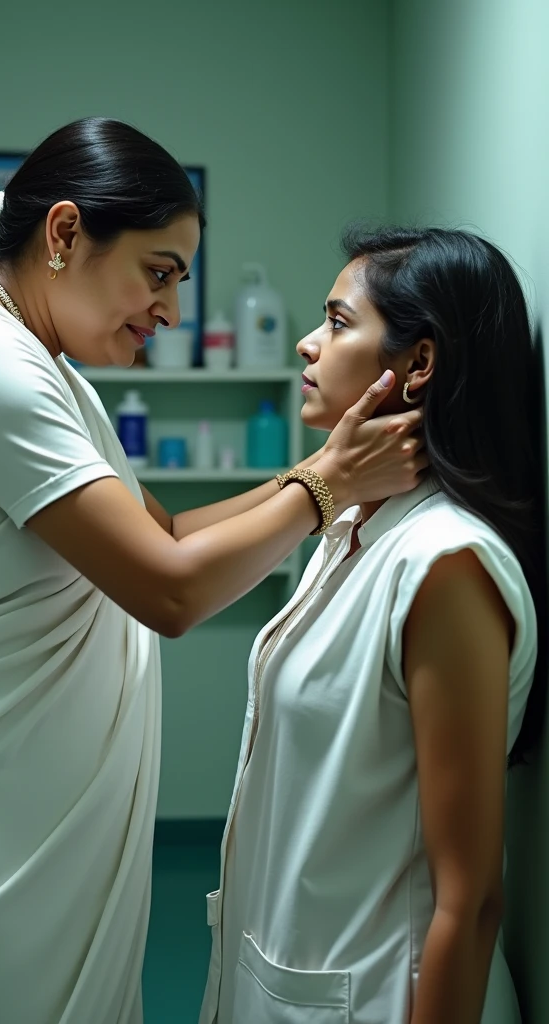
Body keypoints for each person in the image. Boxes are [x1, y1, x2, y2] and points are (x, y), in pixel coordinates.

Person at [0, 118, 425, 1024]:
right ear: (63, 234)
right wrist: (328, 482)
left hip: (18, 814)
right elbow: (168, 588)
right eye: (157, 273)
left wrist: (330, 477)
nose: (169, 310)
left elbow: (162, 532)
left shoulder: (37, 357)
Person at [199, 226, 546, 1024]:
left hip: (386, 998)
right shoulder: (352, 527)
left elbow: (470, 901)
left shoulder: (444, 563)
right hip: (296, 978)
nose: (307, 343)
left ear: (418, 363)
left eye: (337, 322)